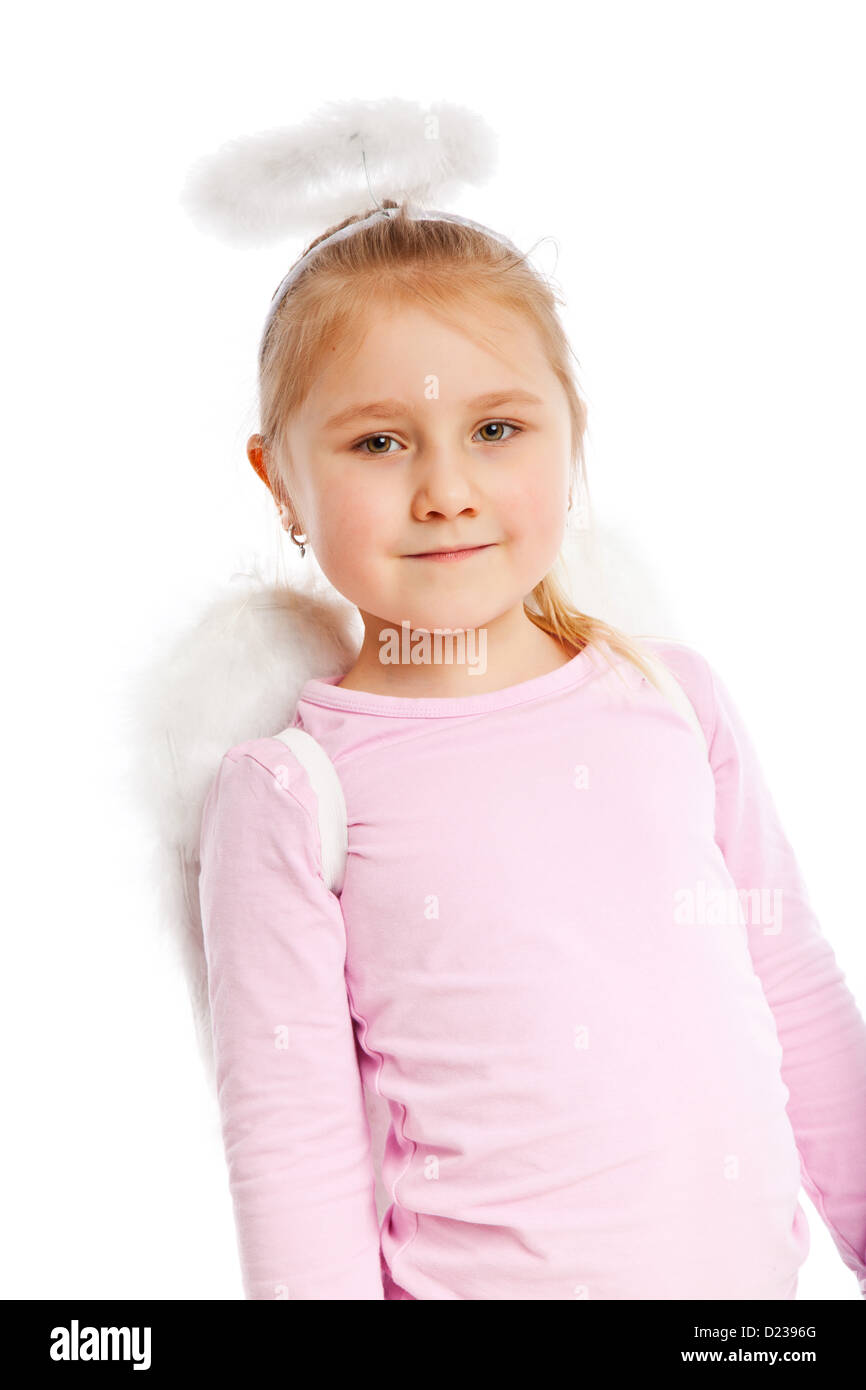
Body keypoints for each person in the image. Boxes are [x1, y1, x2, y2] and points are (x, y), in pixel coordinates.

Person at [198, 200, 866, 1300]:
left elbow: (790, 985)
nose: (445, 489)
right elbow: (291, 1145)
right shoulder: (290, 793)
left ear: (571, 434)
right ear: (282, 486)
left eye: (497, 430)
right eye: (378, 441)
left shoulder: (669, 699)